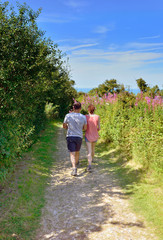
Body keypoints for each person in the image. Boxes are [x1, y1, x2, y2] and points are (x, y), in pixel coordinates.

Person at [63, 102, 87, 176]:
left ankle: (74, 168)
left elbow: (64, 125)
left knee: (72, 153)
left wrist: (68, 127)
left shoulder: (68, 115)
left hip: (70, 136)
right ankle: (76, 163)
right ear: (80, 108)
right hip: (79, 136)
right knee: (77, 151)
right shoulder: (83, 117)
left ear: (73, 108)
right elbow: (85, 128)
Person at [85, 104, 100, 172]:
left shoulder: (86, 117)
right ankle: (92, 159)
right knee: (93, 149)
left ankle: (89, 165)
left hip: (88, 136)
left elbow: (84, 127)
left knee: (89, 151)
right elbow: (99, 128)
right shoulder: (97, 117)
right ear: (94, 110)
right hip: (95, 135)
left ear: (88, 110)